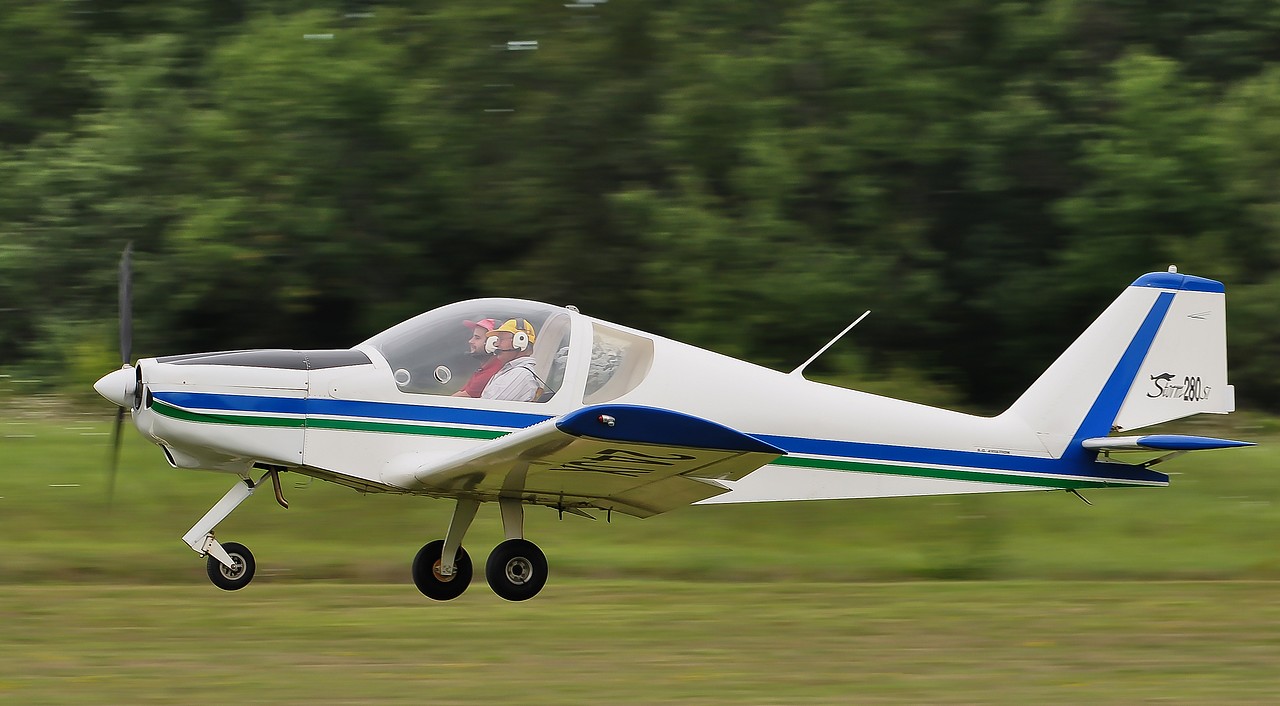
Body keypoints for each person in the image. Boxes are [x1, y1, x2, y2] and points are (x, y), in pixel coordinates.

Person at [480, 319, 541, 402]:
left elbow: (488, 408)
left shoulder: (520, 374)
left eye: (501, 339)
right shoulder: (510, 371)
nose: (497, 344)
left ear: (520, 341)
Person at [452, 318, 502, 397]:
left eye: (477, 337)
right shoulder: (486, 368)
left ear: (493, 343)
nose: (470, 341)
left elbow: (455, 400)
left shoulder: (491, 373)